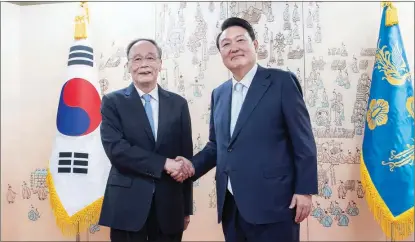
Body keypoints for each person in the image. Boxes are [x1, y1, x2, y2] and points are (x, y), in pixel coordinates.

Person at [173, 17, 318, 242]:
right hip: (232, 206)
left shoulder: (281, 82)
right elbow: (216, 146)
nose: (234, 48)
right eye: (226, 44)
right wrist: (191, 166)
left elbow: (303, 140)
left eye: (240, 40)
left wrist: (305, 190)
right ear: (221, 53)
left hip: (275, 205)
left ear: (255, 45)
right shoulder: (219, 93)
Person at [98, 38, 194, 242]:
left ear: (160, 64)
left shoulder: (178, 104)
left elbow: (185, 156)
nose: (144, 64)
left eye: (150, 58)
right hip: (126, 206)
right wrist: (164, 163)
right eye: (137, 59)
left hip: (169, 206)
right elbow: (117, 150)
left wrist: (186, 208)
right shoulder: (112, 102)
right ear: (128, 66)